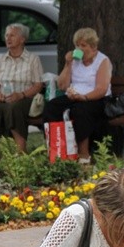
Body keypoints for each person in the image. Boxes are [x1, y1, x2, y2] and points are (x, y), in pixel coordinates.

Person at [41, 27, 111, 164]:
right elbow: (62, 86)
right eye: (77, 45)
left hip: (95, 98)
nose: (79, 49)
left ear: (93, 46)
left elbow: (102, 88)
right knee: (51, 108)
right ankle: (57, 150)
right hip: (74, 96)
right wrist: (68, 64)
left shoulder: (103, 61)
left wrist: (84, 97)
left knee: (80, 111)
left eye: (83, 45)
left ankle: (83, 155)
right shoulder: (75, 61)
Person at [0, 23, 43, 155]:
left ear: (22, 39)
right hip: (3, 98)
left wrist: (21, 94)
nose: (8, 38)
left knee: (14, 108)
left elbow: (38, 85)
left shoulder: (33, 59)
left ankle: (20, 153)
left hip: (25, 98)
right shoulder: (0, 60)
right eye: (6, 35)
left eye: (12, 35)